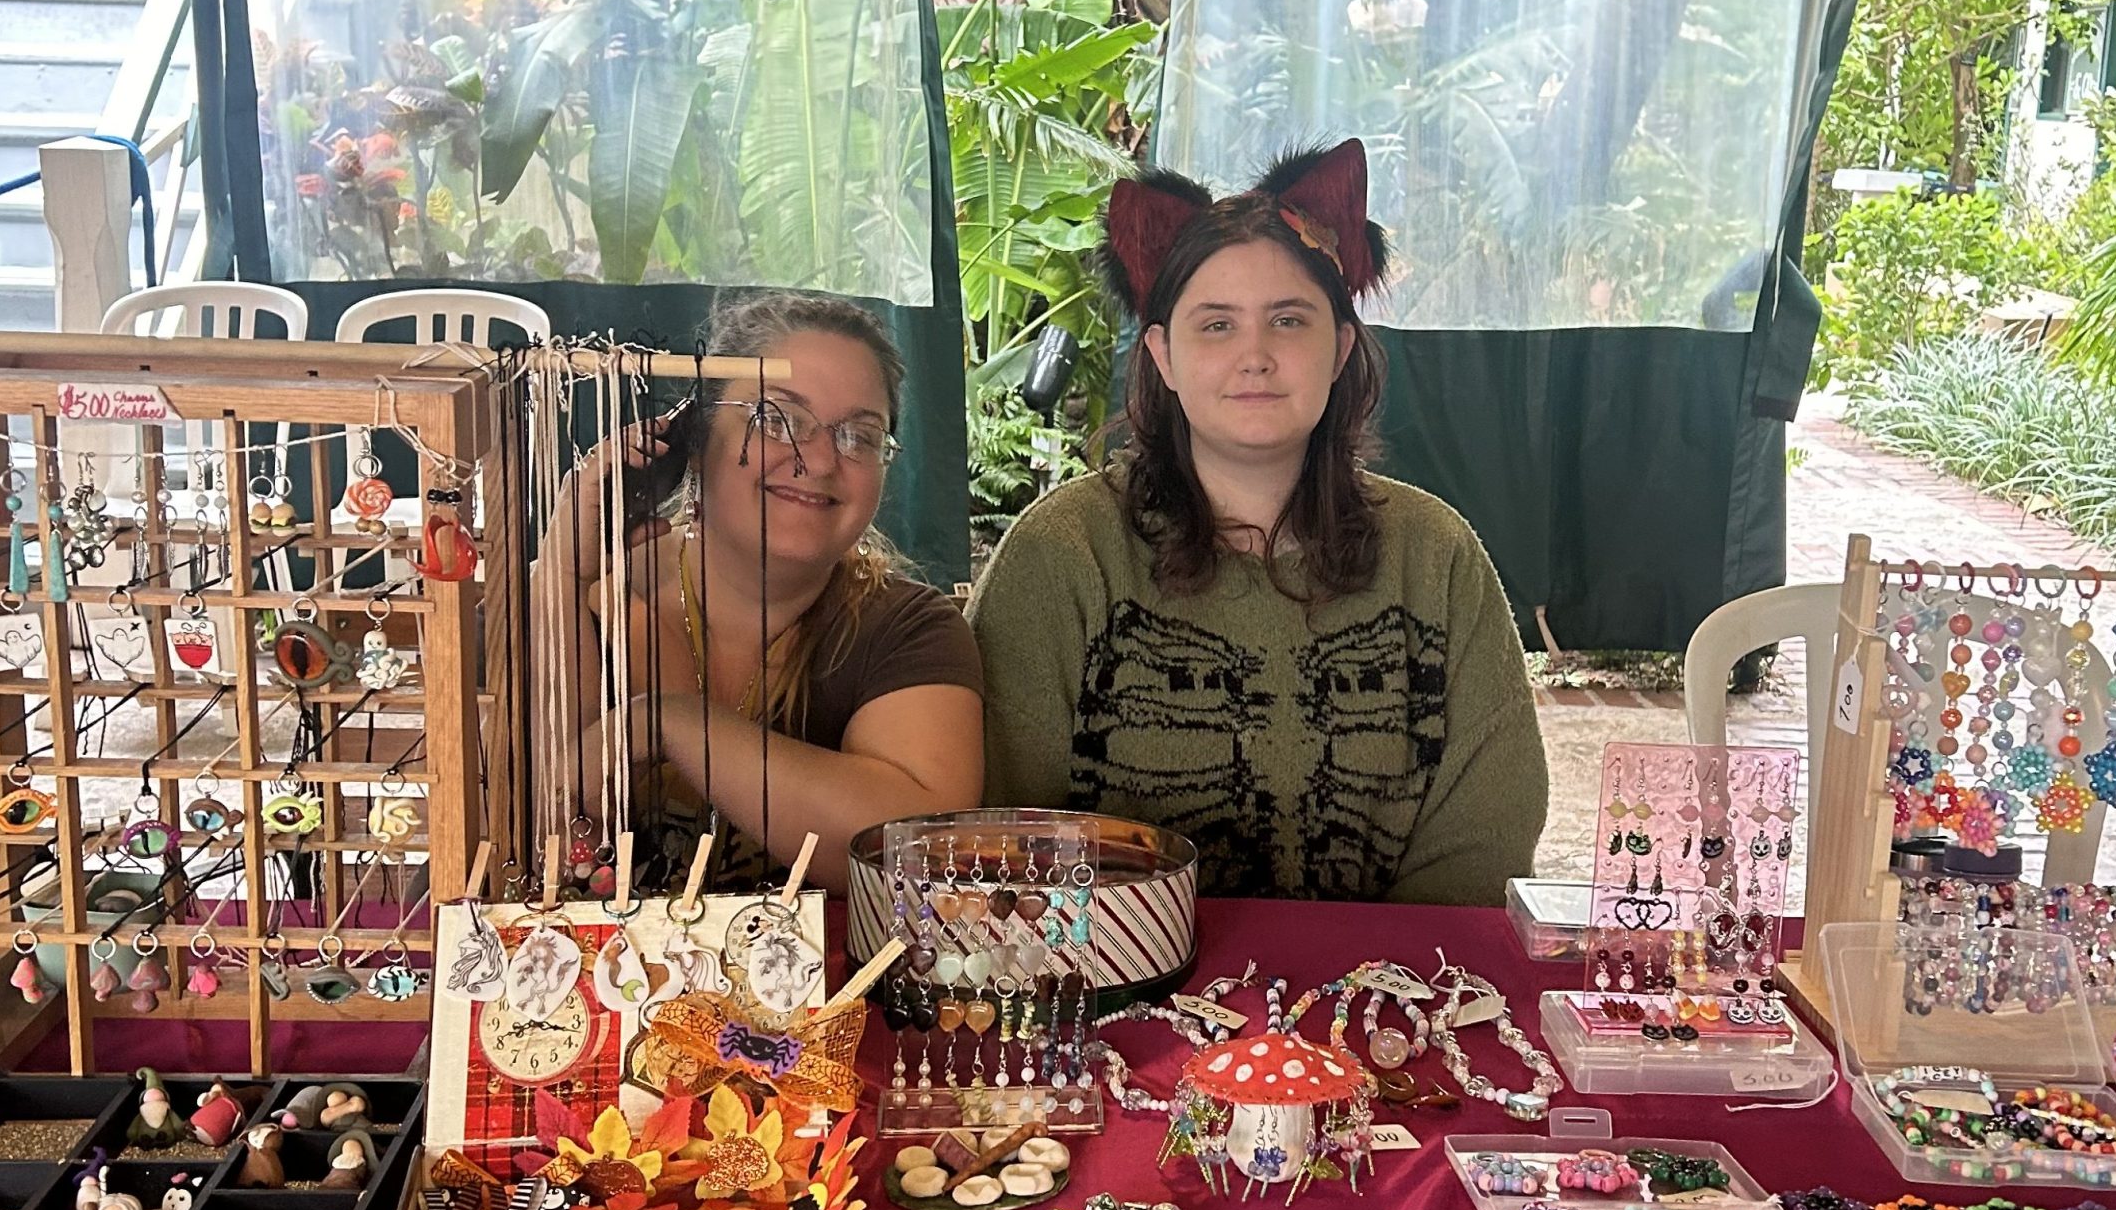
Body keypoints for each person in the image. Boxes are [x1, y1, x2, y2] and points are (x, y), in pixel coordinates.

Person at [968, 139, 1545, 904]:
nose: (1255, 356)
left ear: (1340, 349)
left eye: (1287, 320)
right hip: (1114, 991)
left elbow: (1484, 836)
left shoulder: (1435, 556)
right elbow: (1004, 835)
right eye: (1215, 325)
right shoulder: (1062, 554)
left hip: (1386, 1000)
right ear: (1162, 357)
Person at [532, 290, 984, 893]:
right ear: (694, 438)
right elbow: (534, 824)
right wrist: (560, 574)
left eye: (859, 435)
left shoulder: (908, 631)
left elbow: (916, 853)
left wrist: (671, 724)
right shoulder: (592, 600)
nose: (820, 460)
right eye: (776, 420)